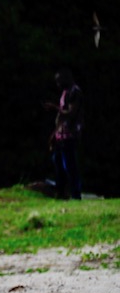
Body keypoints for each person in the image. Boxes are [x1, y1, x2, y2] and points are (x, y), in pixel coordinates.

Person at [43, 69, 83, 200]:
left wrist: (55, 108)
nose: (58, 84)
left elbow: (70, 113)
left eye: (59, 81)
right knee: (58, 162)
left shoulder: (74, 92)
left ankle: (76, 195)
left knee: (69, 166)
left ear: (67, 79)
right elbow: (60, 117)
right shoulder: (65, 92)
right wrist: (54, 134)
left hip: (70, 135)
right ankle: (61, 193)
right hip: (61, 134)